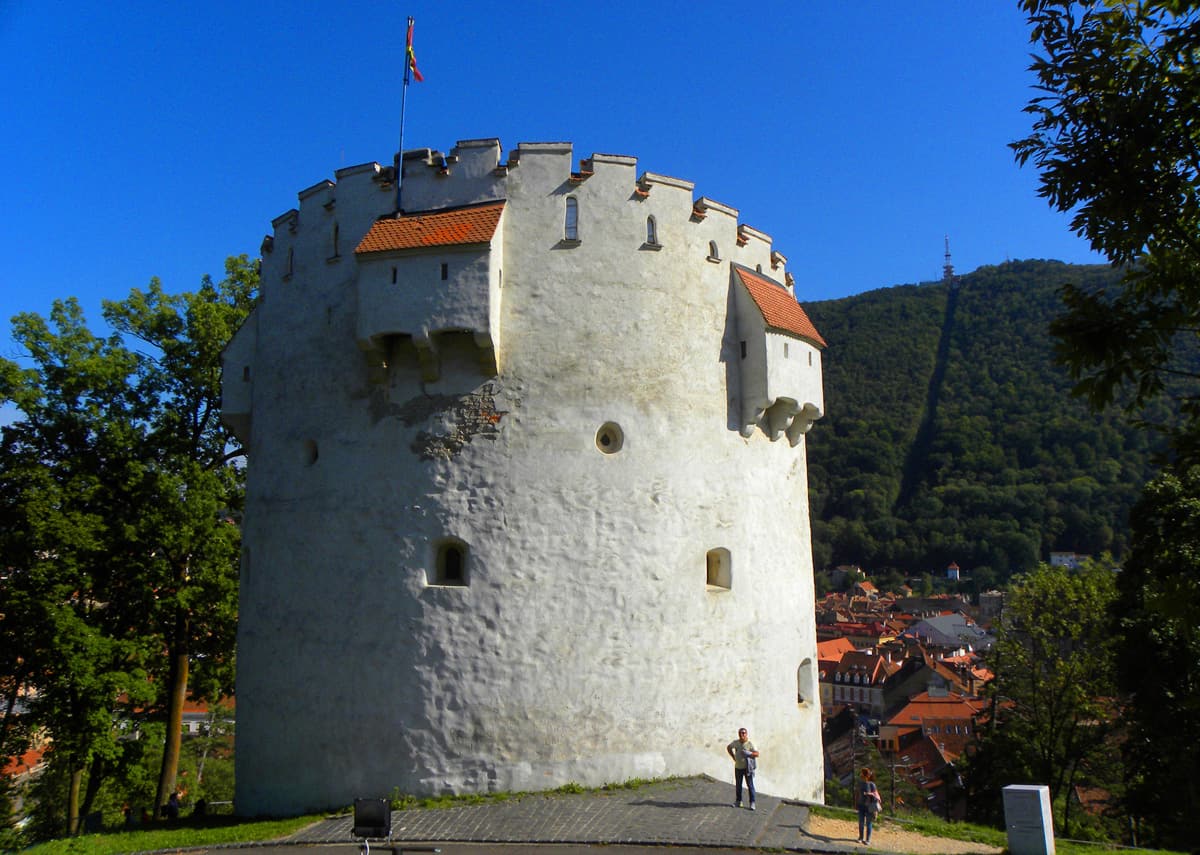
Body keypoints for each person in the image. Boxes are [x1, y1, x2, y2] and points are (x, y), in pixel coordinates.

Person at [725, 727, 760, 810]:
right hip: (738, 767)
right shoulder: (736, 743)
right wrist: (733, 757)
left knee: (750, 785)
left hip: (747, 768)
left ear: (746, 734)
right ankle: (738, 801)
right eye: (740, 733)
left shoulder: (750, 743)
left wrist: (749, 753)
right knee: (738, 785)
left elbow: (757, 754)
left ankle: (752, 803)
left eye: (744, 733)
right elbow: (729, 747)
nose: (742, 735)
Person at [857, 766, 880, 844]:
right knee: (861, 822)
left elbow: (876, 796)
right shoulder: (860, 783)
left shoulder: (872, 785)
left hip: (869, 806)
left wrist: (868, 794)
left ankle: (868, 839)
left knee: (868, 823)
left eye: (862, 774)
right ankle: (860, 837)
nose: (861, 776)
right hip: (861, 805)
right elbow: (858, 794)